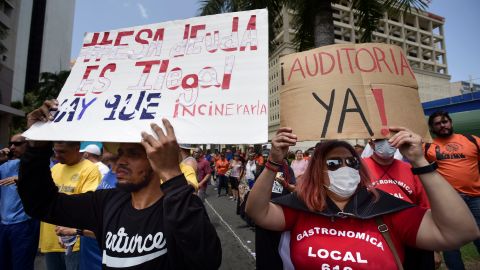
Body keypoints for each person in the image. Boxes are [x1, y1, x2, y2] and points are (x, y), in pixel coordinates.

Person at [18, 100, 222, 270]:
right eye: (119, 154)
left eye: (133, 154)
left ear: (157, 159)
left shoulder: (180, 206)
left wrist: (171, 173)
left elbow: (206, 260)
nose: (121, 162)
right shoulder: (105, 203)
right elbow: (41, 204)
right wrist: (37, 147)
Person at [246, 126, 479, 269]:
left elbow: (460, 232)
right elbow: (257, 211)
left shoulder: (387, 210)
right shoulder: (303, 209)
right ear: (319, 171)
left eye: (352, 162)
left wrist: (420, 161)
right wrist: (274, 161)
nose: (345, 167)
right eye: (334, 163)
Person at [364, 138, 436, 269]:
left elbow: (424, 205)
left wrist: (434, 246)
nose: (386, 144)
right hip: (378, 236)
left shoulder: (409, 168)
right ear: (371, 144)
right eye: (380, 140)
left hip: (412, 235)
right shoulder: (360, 168)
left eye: (390, 139)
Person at [426, 110, 480, 270]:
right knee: (450, 242)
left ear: (450, 122)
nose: (442, 125)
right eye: (437, 123)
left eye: (445, 121)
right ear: (432, 127)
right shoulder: (428, 147)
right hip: (448, 201)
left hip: (476, 198)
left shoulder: (472, 140)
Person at [39, 140, 102, 270]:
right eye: (55, 151)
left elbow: (87, 206)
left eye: (62, 152)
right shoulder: (55, 168)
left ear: (77, 148)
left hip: (73, 243)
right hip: (50, 240)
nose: (57, 155)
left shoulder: (90, 170)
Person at [0, 134, 39, 270]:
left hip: (24, 223)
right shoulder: (6, 165)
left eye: (17, 144)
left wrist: (23, 179)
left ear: (28, 144)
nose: (12, 147)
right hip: (4, 224)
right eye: (11, 144)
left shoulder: (38, 164)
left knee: (22, 265)